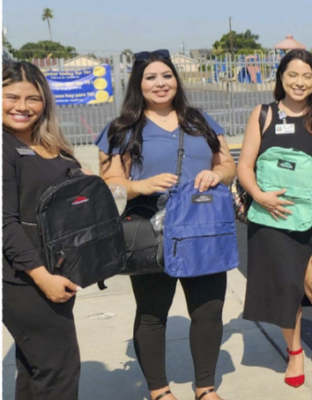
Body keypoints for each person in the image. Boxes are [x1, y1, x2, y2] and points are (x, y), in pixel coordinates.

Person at [97, 49, 236, 400]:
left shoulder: (200, 121)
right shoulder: (124, 129)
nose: (160, 83)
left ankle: (205, 388)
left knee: (208, 311)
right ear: (138, 85)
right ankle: (159, 390)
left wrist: (216, 173)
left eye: (166, 76)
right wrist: (139, 185)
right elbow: (110, 183)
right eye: (151, 78)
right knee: (153, 313)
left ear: (176, 79)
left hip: (203, 229)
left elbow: (229, 166)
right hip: (152, 230)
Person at [237, 49, 312, 387]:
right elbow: (244, 164)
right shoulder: (264, 114)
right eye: (292, 75)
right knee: (285, 285)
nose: (299, 82)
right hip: (273, 215)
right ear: (281, 78)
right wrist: (259, 196)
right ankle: (295, 353)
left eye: (306, 76)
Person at [3, 61, 83, 400]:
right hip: (24, 279)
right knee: (59, 372)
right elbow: (4, 223)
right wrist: (41, 276)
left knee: (36, 371)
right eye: (11, 96)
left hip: (56, 269)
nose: (22, 107)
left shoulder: (50, 144)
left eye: (32, 98)